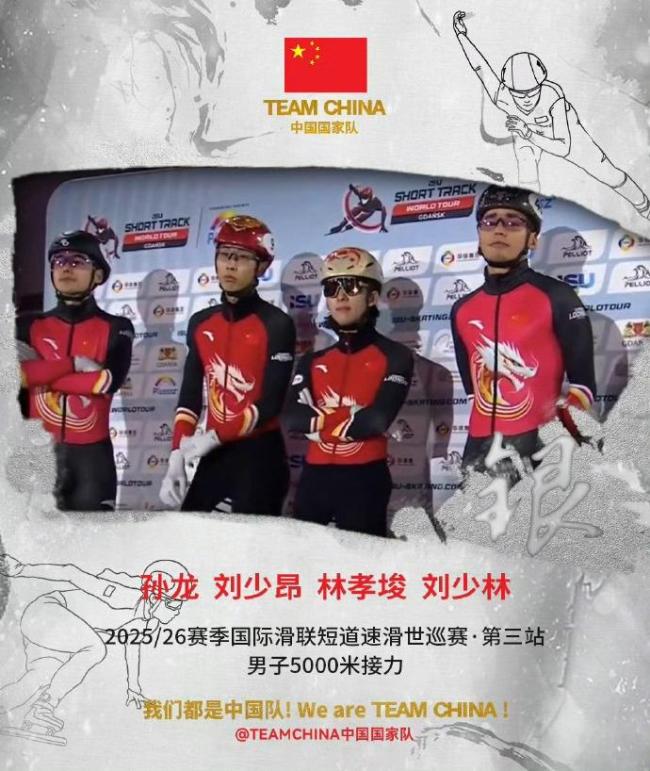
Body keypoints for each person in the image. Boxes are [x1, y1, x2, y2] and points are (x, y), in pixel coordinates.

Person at [450, 185, 597, 477]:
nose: (499, 230)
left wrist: (554, 443)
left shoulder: (557, 296)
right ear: (479, 235)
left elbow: (584, 388)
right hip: (479, 452)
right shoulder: (461, 309)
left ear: (532, 239)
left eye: (513, 222)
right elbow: (474, 395)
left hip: (540, 449)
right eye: (490, 221)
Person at [452, 10, 650, 219]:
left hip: (563, 133)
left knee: (607, 172)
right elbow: (480, 66)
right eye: (519, 94)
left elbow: (564, 148)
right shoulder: (502, 96)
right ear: (508, 89)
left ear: (540, 85)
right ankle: (530, 219)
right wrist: (461, 35)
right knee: (527, 173)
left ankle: (645, 207)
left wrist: (527, 132)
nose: (526, 99)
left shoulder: (552, 98)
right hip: (526, 133)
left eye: (532, 92)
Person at [160, 214, 296, 514]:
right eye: (224, 254)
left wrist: (213, 437)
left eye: (242, 257)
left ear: (261, 266)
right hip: (215, 454)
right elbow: (189, 398)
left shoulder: (276, 324)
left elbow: (270, 403)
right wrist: (176, 456)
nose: (230, 265)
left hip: (259, 457)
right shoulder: (201, 323)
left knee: (246, 543)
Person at [285, 247, 414, 537]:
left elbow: (376, 421)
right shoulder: (312, 361)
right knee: (302, 560)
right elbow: (292, 418)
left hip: (364, 480)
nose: (341, 296)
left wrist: (318, 423)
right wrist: (352, 416)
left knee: (360, 564)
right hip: (313, 480)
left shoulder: (396, 356)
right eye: (332, 288)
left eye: (352, 286)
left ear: (372, 297)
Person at [0, 553, 188, 742]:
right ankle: (44, 707)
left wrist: (133, 688)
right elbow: (71, 573)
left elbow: (132, 646)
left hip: (51, 631)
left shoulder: (147, 623)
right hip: (46, 612)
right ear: (154, 598)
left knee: (38, 678)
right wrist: (21, 569)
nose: (178, 610)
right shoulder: (122, 597)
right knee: (95, 649)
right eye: (174, 604)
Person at [16, 230, 134, 510]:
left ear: (98, 274)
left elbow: (106, 382)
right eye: (59, 261)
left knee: (92, 539)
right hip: (36, 459)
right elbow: (13, 379)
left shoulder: (117, 327)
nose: (66, 267)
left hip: (92, 465)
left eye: (77, 261)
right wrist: (75, 365)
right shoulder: (26, 326)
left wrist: (39, 374)